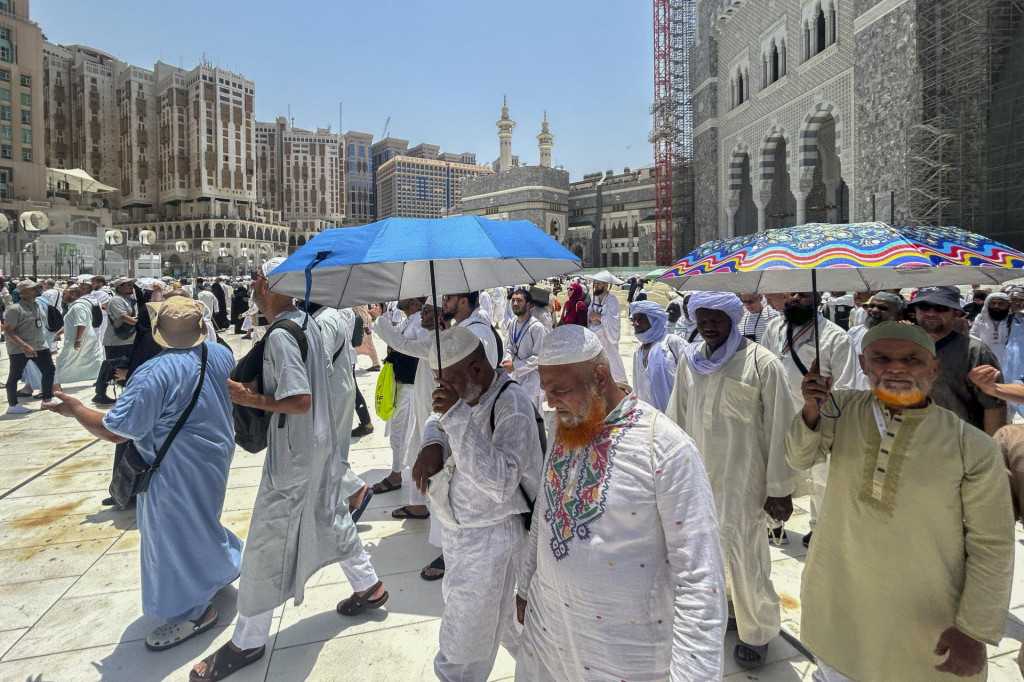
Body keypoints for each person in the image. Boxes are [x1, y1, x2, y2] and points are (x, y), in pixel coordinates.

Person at [193, 258, 388, 681]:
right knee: (330, 515)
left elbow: (299, 399)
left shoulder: (284, 332)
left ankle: (247, 641)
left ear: (274, 285)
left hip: (295, 454)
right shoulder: (305, 321)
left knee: (265, 544)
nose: (253, 286)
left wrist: (250, 400)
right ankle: (369, 586)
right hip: (317, 447)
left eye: (259, 280)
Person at [788, 322, 1013, 682]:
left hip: (924, 616)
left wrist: (974, 630)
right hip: (839, 594)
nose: (896, 368)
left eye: (912, 359)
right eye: (882, 358)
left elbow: (993, 544)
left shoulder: (970, 445)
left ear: (934, 368)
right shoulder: (840, 407)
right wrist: (811, 409)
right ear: (864, 365)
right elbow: (800, 458)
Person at [516, 324, 726, 680]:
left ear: (599, 377)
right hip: (549, 631)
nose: (550, 402)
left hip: (624, 654)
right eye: (546, 390)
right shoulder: (563, 425)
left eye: (560, 390)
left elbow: (700, 577)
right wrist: (525, 586)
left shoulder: (664, 447)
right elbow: (547, 510)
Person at [44, 296, 243, 652]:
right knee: (200, 517)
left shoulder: (154, 372)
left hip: (175, 465)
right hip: (214, 453)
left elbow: (117, 430)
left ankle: (194, 611)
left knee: (172, 533)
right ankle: (221, 566)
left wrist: (75, 409)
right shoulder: (218, 353)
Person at [667, 292, 796, 669]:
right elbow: (677, 419)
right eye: (702, 319)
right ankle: (729, 609)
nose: (709, 326)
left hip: (745, 481)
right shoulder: (690, 363)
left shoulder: (761, 363)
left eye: (716, 319)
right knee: (709, 551)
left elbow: (779, 428)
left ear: (732, 319)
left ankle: (758, 632)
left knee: (747, 557)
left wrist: (780, 488)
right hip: (700, 478)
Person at [410, 327, 542, 681]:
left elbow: (500, 483)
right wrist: (432, 441)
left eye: (446, 382)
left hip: (491, 542)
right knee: (511, 631)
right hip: (462, 535)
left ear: (477, 371)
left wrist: (453, 416)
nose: (440, 390)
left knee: (462, 649)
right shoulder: (464, 393)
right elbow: (436, 416)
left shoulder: (511, 406)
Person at [762, 291, 858, 546]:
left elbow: (847, 386)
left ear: (817, 299)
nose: (794, 299)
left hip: (817, 419)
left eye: (803, 295)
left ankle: (819, 527)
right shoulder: (774, 328)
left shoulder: (835, 338)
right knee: (774, 471)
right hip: (779, 413)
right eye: (791, 294)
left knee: (820, 478)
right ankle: (774, 524)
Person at [307, 301, 373, 522]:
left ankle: (355, 490)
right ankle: (341, 498)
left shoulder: (323, 320)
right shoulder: (330, 315)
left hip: (332, 391)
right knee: (335, 448)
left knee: (324, 449)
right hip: (341, 388)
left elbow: (322, 364)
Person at [910, 286, 1005, 436]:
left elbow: (994, 405)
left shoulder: (975, 352)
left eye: (941, 308)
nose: (931, 313)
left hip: (961, 442)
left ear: (956, 313)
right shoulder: (904, 349)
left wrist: (993, 451)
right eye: (924, 306)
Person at [370, 298, 429, 498]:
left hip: (412, 387)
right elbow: (396, 338)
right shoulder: (411, 320)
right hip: (403, 386)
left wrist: (380, 320)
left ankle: (398, 476)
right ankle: (398, 471)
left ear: (413, 301)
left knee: (405, 433)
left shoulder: (421, 322)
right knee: (399, 432)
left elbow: (406, 347)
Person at [3, 280, 55, 414]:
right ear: (23, 292)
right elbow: (9, 331)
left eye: (36, 287)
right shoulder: (15, 309)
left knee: (49, 370)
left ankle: (47, 400)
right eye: (32, 289)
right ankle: (13, 405)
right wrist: (24, 346)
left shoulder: (37, 304)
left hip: (39, 345)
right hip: (20, 348)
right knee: (15, 375)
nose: (37, 290)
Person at [629, 300, 686, 413]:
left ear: (654, 320)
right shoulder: (639, 348)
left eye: (641, 318)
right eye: (634, 319)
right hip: (648, 414)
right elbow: (637, 384)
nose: (636, 322)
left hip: (673, 414)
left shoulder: (672, 343)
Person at [93, 277, 138, 406]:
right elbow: (124, 317)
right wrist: (141, 324)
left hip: (126, 340)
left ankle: (125, 393)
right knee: (111, 367)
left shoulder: (125, 299)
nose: (131, 287)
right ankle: (100, 393)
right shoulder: (116, 300)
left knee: (122, 366)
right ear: (120, 287)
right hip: (116, 341)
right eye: (128, 285)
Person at [501, 287, 547, 410]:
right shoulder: (513, 323)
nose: (515, 304)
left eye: (519, 301)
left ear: (528, 304)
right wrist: (508, 360)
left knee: (533, 415)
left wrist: (515, 365)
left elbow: (539, 357)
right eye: (513, 300)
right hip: (515, 376)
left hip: (532, 380)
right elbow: (509, 347)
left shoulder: (536, 327)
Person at [847, 292, 905, 390]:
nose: (874, 310)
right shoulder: (854, 332)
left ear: (898, 313)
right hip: (854, 394)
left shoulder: (904, 338)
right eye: (871, 306)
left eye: (883, 308)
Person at [52, 285, 104, 391]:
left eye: (64, 294)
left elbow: (82, 323)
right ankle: (100, 378)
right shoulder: (76, 306)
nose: (62, 296)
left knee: (63, 360)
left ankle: (55, 383)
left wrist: (78, 339)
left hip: (80, 338)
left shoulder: (78, 307)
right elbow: (71, 323)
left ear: (73, 295)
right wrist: (58, 333)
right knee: (91, 359)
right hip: (82, 337)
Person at [441, 291, 499, 367]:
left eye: (447, 297)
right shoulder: (468, 328)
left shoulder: (473, 333)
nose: (444, 302)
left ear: (463, 302)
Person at [588, 274, 628, 382]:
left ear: (606, 285)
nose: (596, 286)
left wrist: (598, 317)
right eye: (595, 283)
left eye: (598, 283)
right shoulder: (595, 298)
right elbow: (589, 312)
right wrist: (592, 317)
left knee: (612, 362)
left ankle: (620, 385)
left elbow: (614, 319)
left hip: (608, 337)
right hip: (596, 336)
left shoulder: (611, 300)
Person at [969, 291, 1012, 364]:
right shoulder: (981, 319)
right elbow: (973, 336)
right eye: (993, 303)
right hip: (986, 358)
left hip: (1009, 359)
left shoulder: (1014, 320)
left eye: (1000, 304)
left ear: (1008, 305)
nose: (996, 306)